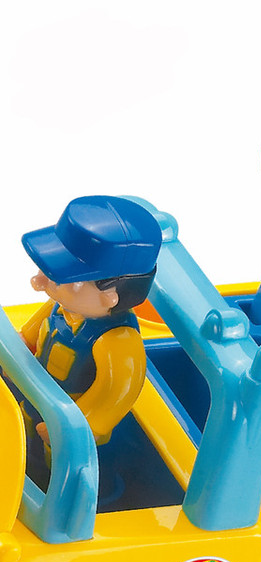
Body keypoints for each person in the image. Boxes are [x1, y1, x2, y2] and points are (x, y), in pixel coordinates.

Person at [19, 196, 162, 492]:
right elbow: (28, 337)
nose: (41, 282)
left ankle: (97, 496)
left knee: (71, 474)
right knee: (32, 453)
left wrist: (73, 428)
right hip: (38, 402)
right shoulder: (62, 307)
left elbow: (114, 394)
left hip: (72, 427)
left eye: (65, 279)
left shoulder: (117, 341)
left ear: (110, 296)